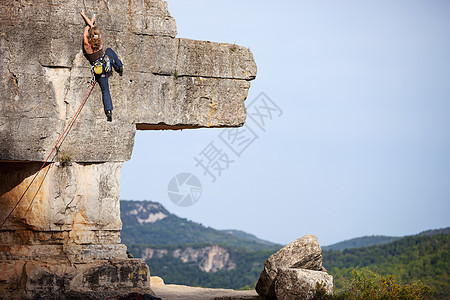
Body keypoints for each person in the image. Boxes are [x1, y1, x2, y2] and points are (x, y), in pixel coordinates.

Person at [80, 10, 123, 122]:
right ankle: (118, 66)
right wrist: (92, 22)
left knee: (105, 90)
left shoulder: (86, 45)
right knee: (109, 51)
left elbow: (86, 30)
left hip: (99, 71)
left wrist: (85, 18)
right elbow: (94, 31)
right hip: (106, 64)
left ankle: (109, 111)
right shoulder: (99, 42)